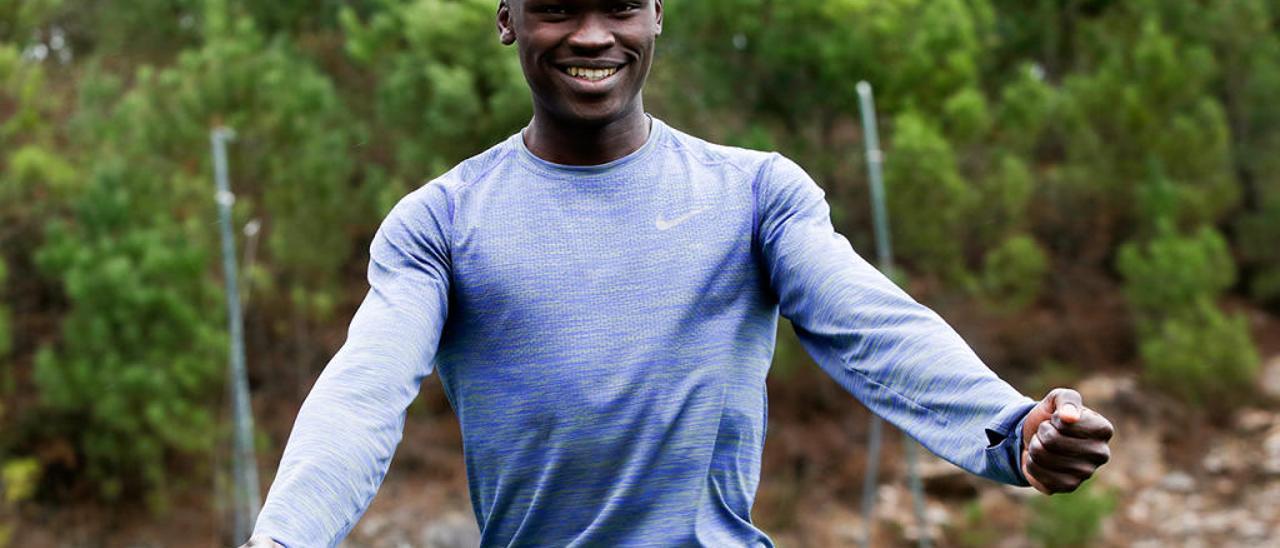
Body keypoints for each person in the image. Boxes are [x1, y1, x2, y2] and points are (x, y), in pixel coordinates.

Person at [242, 1, 1115, 546]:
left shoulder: (756, 194)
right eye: (555, 8)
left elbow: (874, 328)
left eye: (620, 5)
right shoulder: (439, 222)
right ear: (506, 18)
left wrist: (1009, 427)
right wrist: (284, 539)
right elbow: (361, 393)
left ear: (657, 14)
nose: (592, 34)